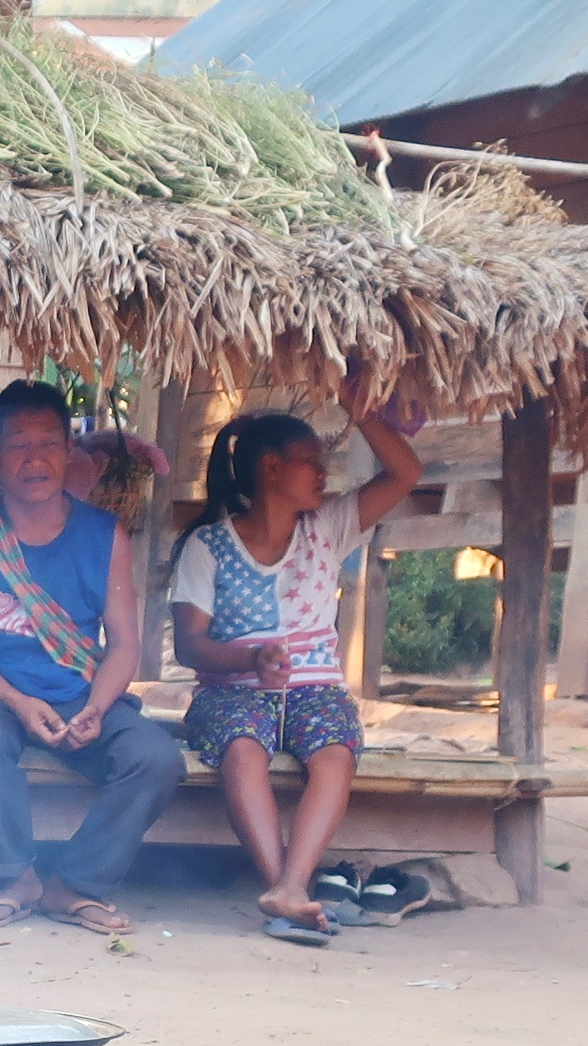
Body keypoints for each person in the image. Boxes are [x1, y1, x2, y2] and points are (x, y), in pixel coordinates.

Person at [167, 390, 424, 944]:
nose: (324, 473)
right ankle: (285, 888)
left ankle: (290, 887)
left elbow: (404, 472)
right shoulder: (206, 546)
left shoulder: (327, 528)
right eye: (313, 459)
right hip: (230, 690)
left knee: (335, 752)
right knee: (242, 747)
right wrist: (250, 659)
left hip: (316, 691)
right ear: (271, 468)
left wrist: (362, 411)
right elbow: (190, 647)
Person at [0, 381, 185, 934]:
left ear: (70, 451)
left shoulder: (105, 535)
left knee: (155, 757)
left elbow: (124, 645)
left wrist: (97, 705)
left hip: (74, 689)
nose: (35, 458)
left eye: (49, 443)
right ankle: (13, 875)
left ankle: (78, 883)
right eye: (19, 445)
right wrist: (18, 701)